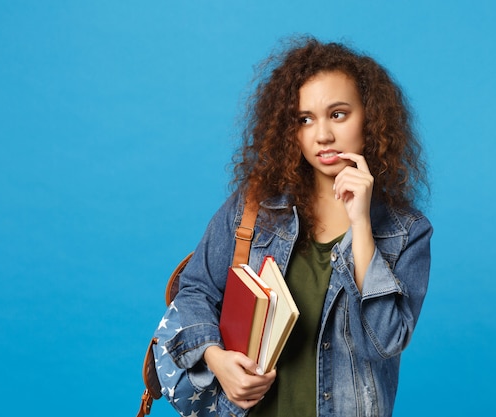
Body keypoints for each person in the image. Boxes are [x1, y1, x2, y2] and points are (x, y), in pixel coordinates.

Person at [157, 36, 432, 417]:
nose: (322, 135)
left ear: (370, 117)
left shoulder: (406, 232)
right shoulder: (253, 208)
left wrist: (361, 224)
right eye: (305, 119)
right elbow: (195, 290)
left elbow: (383, 342)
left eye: (338, 114)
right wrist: (216, 358)